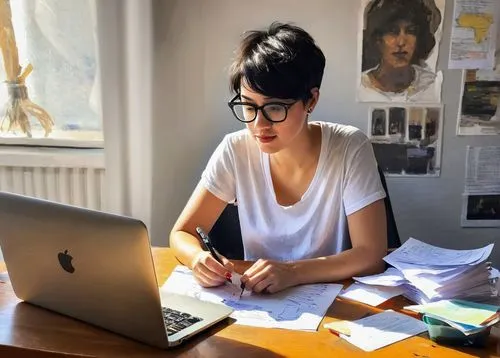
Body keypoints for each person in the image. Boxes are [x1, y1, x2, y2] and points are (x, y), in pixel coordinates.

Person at [170, 22, 388, 294]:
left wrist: (292, 272)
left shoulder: (350, 148)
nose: (259, 124)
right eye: (248, 106)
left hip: (333, 306)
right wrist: (197, 258)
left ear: (311, 100)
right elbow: (182, 233)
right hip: (258, 303)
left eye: (274, 107)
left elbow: (372, 255)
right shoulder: (235, 150)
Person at [358, 0, 442, 102]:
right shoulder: (361, 87)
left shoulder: (431, 85)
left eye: (411, 31)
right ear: (377, 39)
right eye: (392, 31)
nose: (401, 42)